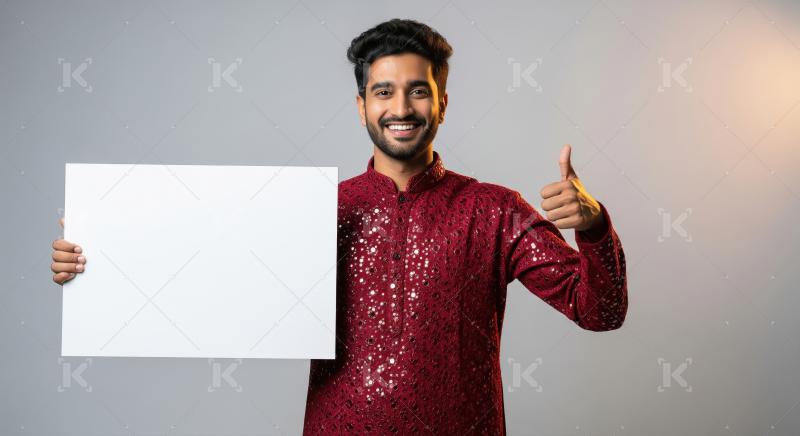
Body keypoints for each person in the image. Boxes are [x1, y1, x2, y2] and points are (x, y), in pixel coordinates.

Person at [51, 18, 628, 436]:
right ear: (361, 106)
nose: (400, 107)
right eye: (383, 91)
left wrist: (595, 226)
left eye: (418, 90)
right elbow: (204, 281)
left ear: (442, 103)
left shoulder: (495, 210)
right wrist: (101, 260)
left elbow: (599, 310)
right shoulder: (313, 211)